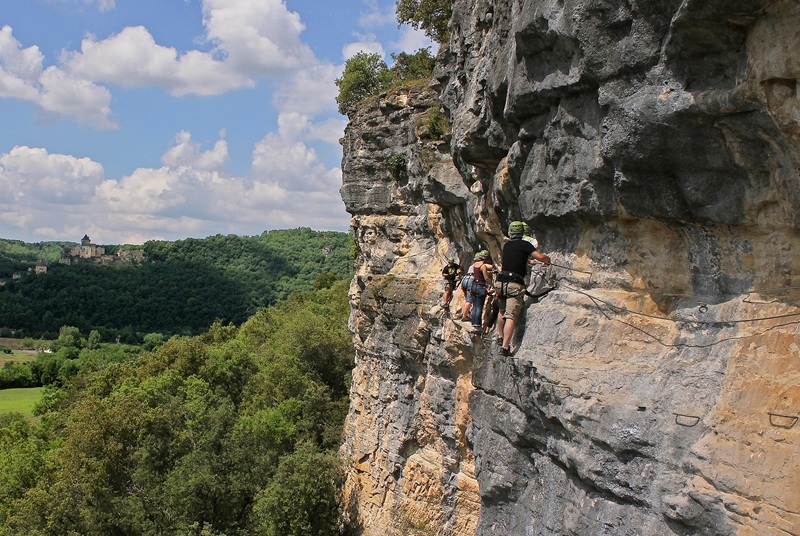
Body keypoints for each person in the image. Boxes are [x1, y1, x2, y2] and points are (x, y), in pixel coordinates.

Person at [494, 221, 551, 355]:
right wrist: (546, 260)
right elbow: (540, 257)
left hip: (501, 282)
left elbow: (516, 259)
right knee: (511, 315)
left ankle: (500, 336)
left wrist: (530, 262)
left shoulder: (507, 245)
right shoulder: (525, 244)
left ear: (510, 233)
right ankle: (505, 347)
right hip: (514, 284)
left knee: (502, 310)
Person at [467, 250, 494, 330]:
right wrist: (492, 285)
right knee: (479, 306)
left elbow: (479, 273)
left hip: (474, 285)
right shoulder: (483, 266)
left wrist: (489, 272)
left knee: (475, 306)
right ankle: (477, 324)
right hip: (480, 286)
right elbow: (486, 278)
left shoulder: (476, 264)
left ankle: (473, 322)